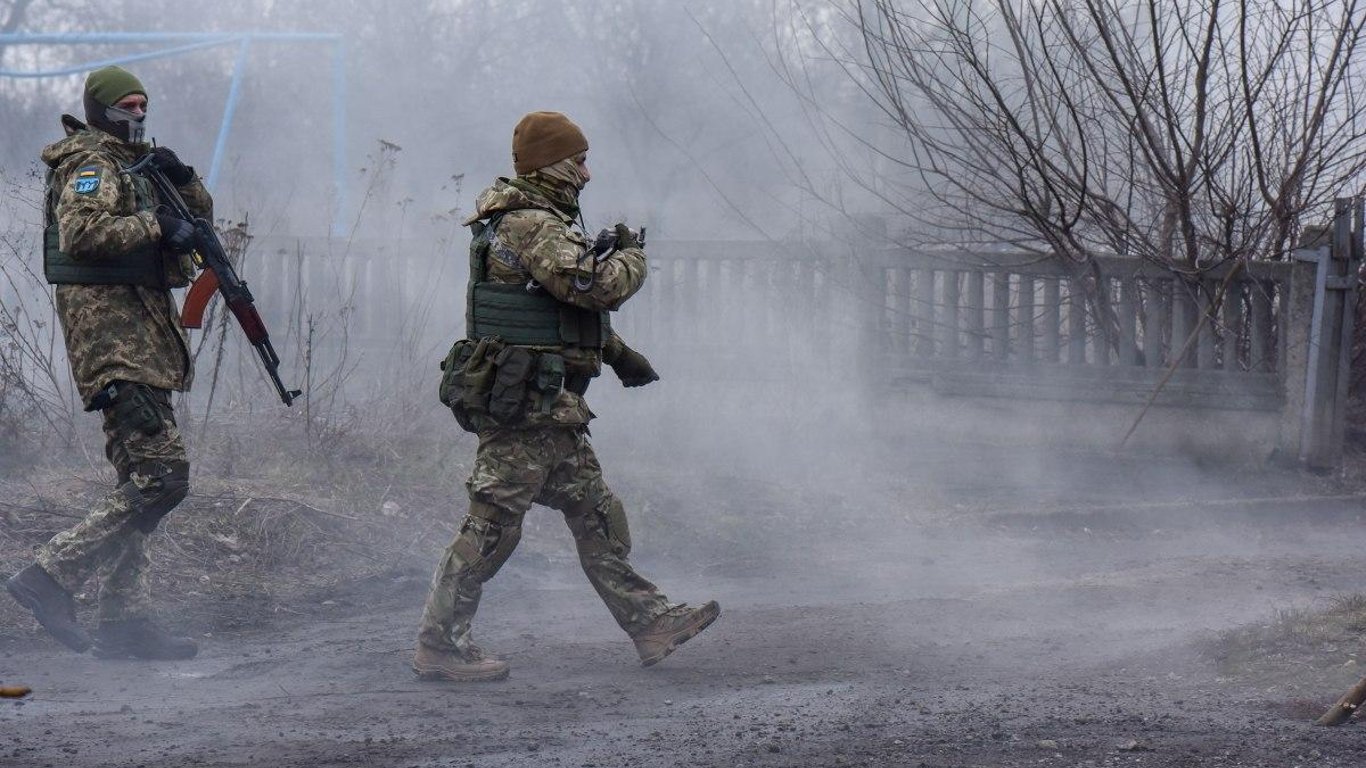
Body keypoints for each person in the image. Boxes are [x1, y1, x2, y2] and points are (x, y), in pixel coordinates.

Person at [415, 111, 719, 681]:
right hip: (526, 407)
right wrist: (632, 257)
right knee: (492, 528)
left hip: (549, 406)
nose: (587, 172)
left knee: (598, 513)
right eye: (578, 160)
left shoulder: (532, 219)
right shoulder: (532, 223)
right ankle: (440, 644)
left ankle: (650, 621)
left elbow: (554, 314)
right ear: (551, 164)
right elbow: (593, 286)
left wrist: (616, 354)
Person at [6, 65, 207, 660]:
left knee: (138, 481)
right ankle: (47, 577)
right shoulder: (93, 165)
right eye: (126, 105)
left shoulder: (133, 164)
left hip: (143, 338)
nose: (138, 114)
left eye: (144, 103)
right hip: (113, 341)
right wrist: (155, 224)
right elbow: (81, 233)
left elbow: (197, 221)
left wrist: (184, 182)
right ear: (100, 109)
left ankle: (125, 623)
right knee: (161, 479)